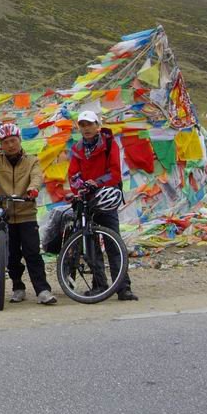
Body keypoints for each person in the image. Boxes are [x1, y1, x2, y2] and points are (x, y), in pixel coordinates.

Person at [0, 122, 57, 305]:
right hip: (5, 214)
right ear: (1, 144)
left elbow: (37, 177)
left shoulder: (32, 160)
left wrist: (32, 190)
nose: (10, 145)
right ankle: (18, 287)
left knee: (32, 253)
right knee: (11, 255)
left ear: (19, 140)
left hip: (26, 214)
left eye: (13, 140)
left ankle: (43, 290)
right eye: (6, 142)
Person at [67, 110, 137, 301]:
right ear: (79, 128)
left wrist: (95, 182)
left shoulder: (108, 145)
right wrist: (78, 186)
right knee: (90, 245)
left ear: (97, 126)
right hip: (85, 200)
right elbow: (73, 173)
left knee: (114, 243)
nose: (86, 128)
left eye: (89, 124)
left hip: (105, 199)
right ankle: (100, 285)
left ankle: (123, 287)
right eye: (82, 125)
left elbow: (114, 172)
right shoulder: (77, 148)